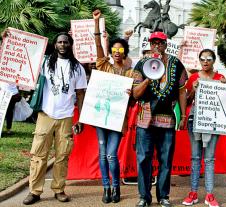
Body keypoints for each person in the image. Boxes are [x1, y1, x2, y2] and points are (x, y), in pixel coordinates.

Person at [22, 32, 87, 205]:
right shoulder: (44, 62)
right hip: (45, 115)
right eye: (59, 42)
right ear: (55, 44)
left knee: (62, 156)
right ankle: (34, 191)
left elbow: (80, 94)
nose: (63, 45)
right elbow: (23, 56)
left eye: (66, 42)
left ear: (70, 44)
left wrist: (80, 118)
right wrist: (6, 37)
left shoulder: (77, 67)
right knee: (38, 155)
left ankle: (59, 189)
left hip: (66, 117)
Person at [132, 31, 187, 207]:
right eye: (154, 42)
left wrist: (184, 115)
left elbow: (181, 91)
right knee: (143, 158)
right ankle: (144, 197)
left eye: (161, 42)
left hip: (168, 119)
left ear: (165, 44)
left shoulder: (176, 64)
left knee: (166, 159)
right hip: (145, 119)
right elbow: (135, 93)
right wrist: (148, 79)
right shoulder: (141, 64)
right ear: (150, 44)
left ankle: (164, 196)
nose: (157, 45)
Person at [93, 9, 133, 204]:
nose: (117, 52)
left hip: (117, 118)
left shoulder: (129, 72)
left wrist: (130, 93)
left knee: (110, 155)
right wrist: (97, 24)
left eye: (121, 50)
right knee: (102, 155)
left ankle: (116, 186)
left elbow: (135, 95)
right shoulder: (104, 66)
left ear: (124, 52)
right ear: (111, 52)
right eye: (114, 50)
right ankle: (106, 187)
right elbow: (98, 46)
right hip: (100, 116)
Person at [182, 49, 226, 207]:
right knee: (195, 158)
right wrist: (193, 89)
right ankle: (193, 193)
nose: (205, 61)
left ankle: (209, 195)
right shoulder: (193, 77)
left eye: (208, 59)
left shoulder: (221, 78)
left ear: (214, 60)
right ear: (199, 61)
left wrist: (225, 88)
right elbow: (186, 101)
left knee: (209, 159)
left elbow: (225, 101)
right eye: (202, 59)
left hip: (213, 122)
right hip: (195, 120)